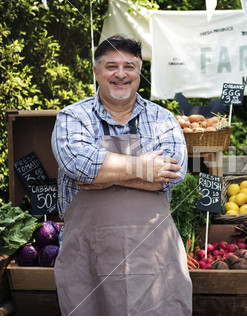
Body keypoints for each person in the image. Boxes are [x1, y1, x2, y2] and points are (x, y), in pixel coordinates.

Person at [51, 35, 192, 316]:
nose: (120, 74)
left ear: (139, 72)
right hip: (87, 256)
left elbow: (172, 175)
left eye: (129, 66)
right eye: (111, 66)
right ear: (96, 71)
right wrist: (144, 169)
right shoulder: (73, 117)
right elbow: (79, 165)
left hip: (153, 256)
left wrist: (103, 174)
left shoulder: (163, 119)